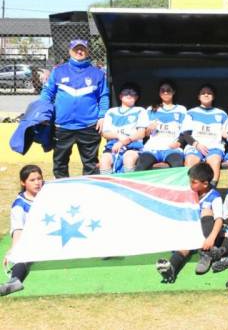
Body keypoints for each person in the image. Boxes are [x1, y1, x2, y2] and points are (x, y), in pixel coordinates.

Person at [40, 39, 109, 178]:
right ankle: (62, 193)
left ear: (88, 51)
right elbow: (47, 93)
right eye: (76, 49)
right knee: (60, 163)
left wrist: (102, 116)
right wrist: (43, 112)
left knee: (90, 164)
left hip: (89, 126)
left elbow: (104, 96)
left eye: (82, 49)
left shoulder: (97, 73)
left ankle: (90, 192)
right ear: (70, 51)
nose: (79, 51)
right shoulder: (58, 71)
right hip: (62, 126)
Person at [156, 162, 225, 282]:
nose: (190, 185)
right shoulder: (189, 194)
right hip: (193, 231)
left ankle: (206, 255)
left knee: (206, 211)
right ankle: (171, 270)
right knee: (184, 248)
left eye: (193, 182)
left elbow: (219, 220)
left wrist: (211, 238)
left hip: (208, 235)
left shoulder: (214, 197)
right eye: (190, 181)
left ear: (205, 184)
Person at [0, 165, 44, 296]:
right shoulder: (19, 205)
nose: (37, 183)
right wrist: (14, 249)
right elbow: (18, 230)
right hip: (38, 242)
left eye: (39, 178)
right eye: (32, 180)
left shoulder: (49, 192)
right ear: (23, 183)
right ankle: (15, 282)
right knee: (23, 251)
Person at [181, 84, 228, 184]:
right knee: (190, 161)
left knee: (215, 162)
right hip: (195, 146)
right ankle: (189, 191)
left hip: (214, 147)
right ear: (198, 97)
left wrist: (226, 135)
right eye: (203, 93)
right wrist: (197, 144)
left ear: (213, 96)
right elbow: (185, 134)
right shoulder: (191, 112)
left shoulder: (222, 114)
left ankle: (211, 191)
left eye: (209, 93)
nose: (206, 95)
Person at [135, 81, 187, 171]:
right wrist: (149, 129)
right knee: (140, 166)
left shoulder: (181, 109)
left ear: (173, 92)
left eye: (168, 90)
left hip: (171, 149)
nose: (165, 92)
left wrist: (179, 143)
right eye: (162, 90)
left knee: (177, 166)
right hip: (152, 148)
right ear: (159, 93)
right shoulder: (150, 109)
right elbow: (145, 134)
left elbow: (186, 131)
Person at [99, 84, 148, 174]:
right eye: (126, 93)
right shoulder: (111, 112)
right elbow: (105, 133)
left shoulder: (140, 110)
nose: (129, 95)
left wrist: (124, 141)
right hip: (113, 147)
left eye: (133, 93)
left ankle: (128, 184)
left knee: (128, 159)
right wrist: (118, 136)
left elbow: (141, 133)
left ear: (136, 97)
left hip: (133, 146)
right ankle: (109, 186)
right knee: (104, 161)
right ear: (120, 96)